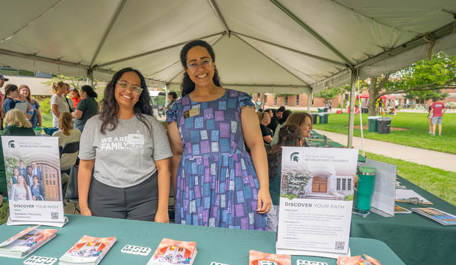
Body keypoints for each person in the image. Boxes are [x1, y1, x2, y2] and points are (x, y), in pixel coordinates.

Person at [166, 39, 271, 230]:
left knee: (240, 234)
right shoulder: (178, 109)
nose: (200, 68)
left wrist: (264, 188)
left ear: (213, 63)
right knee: (198, 240)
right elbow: (177, 154)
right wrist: (178, 193)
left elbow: (256, 144)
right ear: (187, 70)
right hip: (194, 185)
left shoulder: (239, 100)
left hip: (236, 180)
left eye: (205, 61)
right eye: (193, 63)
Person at [78, 67, 172, 222]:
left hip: (145, 197)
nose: (129, 90)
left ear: (140, 94)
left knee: (144, 243)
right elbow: (85, 167)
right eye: (123, 84)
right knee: (105, 242)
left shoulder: (151, 124)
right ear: (113, 86)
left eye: (135, 87)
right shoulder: (93, 124)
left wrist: (163, 210)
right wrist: (83, 206)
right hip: (104, 196)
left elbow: (163, 168)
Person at [266, 124, 304, 231]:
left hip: (270, 208)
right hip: (289, 211)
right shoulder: (298, 161)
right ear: (300, 141)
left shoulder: (269, 156)